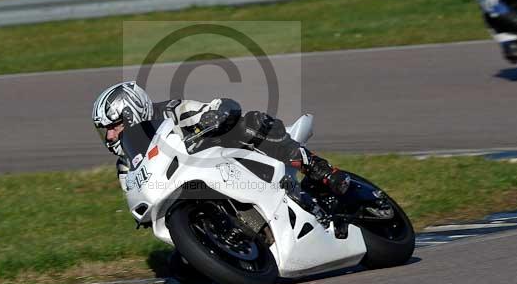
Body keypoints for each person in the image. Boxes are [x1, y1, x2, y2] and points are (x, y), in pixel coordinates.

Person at [91, 81, 351, 206]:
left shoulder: (171, 111)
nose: (110, 136)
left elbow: (216, 108)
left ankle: (320, 169)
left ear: (132, 112)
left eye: (113, 127)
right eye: (106, 131)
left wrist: (215, 116)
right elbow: (138, 203)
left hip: (230, 163)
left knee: (250, 123)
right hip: (190, 194)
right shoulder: (125, 167)